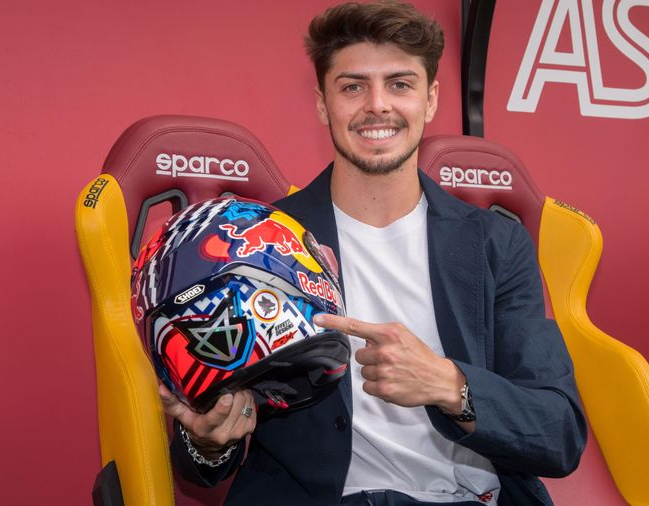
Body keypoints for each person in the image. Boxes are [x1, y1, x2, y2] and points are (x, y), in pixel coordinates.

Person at [159, 2, 587, 504]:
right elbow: (200, 464)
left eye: (400, 84)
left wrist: (450, 385)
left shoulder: (496, 244)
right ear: (323, 104)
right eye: (353, 87)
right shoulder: (257, 242)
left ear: (430, 100)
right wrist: (208, 440)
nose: (377, 105)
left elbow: (558, 434)